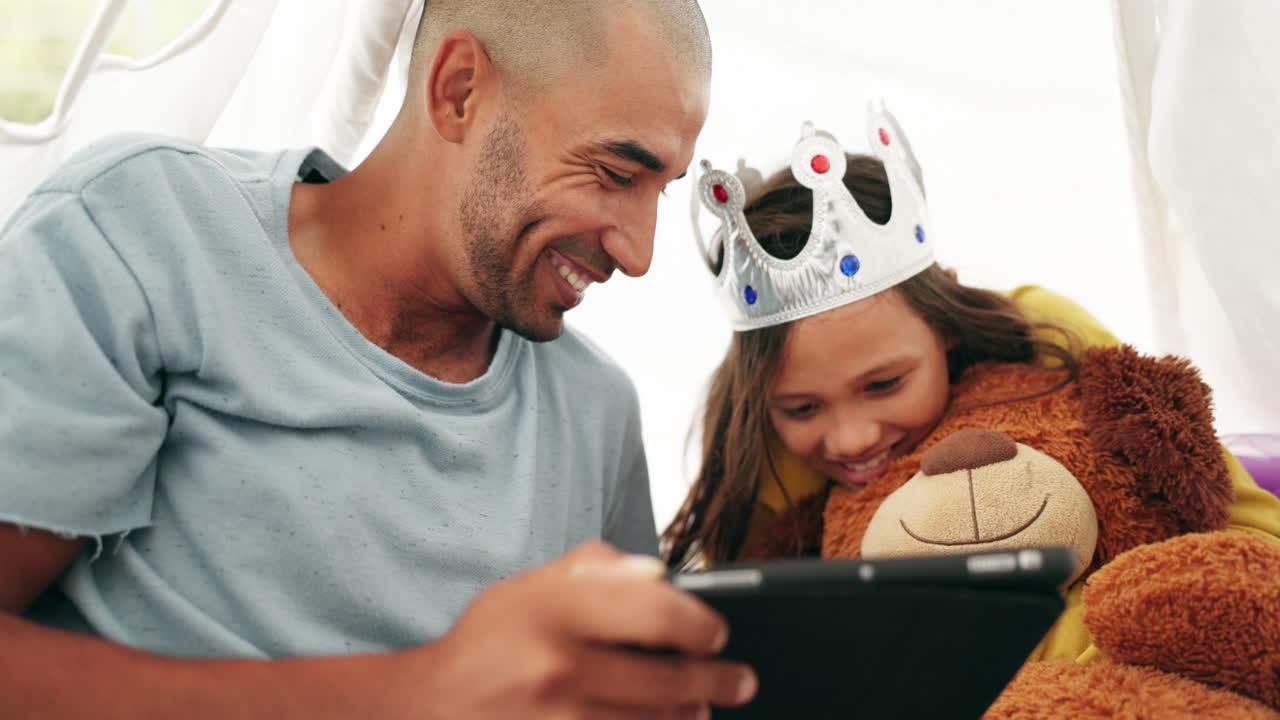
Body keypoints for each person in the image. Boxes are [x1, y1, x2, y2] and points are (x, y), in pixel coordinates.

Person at [0, 1, 759, 717]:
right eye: (615, 174)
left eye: (659, 191)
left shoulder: (596, 413)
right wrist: (413, 694)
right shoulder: (149, 233)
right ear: (458, 91)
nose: (639, 253)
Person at [662, 103, 1280, 617]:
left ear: (944, 323)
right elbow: (754, 635)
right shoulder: (764, 456)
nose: (851, 438)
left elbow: (1250, 528)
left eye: (883, 383)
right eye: (800, 407)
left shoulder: (1042, 337)